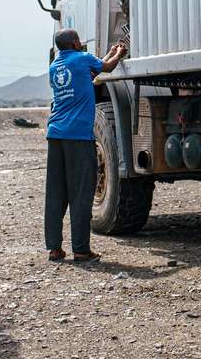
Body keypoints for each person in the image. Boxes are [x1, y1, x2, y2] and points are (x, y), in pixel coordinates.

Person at [44, 28, 126, 263]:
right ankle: (81, 249)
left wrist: (109, 53)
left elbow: (87, 77)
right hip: (78, 137)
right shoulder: (82, 58)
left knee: (56, 193)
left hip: (55, 135)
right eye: (79, 39)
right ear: (75, 43)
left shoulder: (54, 67)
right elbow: (106, 68)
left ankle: (54, 249)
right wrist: (119, 53)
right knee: (81, 192)